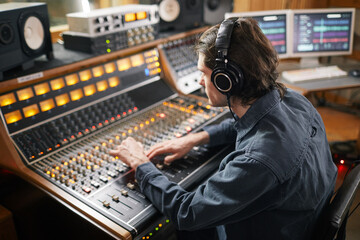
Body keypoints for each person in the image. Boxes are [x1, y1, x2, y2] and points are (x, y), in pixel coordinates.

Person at [109, 17, 338, 240]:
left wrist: (141, 164)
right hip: (299, 223)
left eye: (204, 73)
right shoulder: (293, 100)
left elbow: (186, 213)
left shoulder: (258, 161)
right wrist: (196, 139)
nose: (200, 82)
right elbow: (250, 125)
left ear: (225, 80)